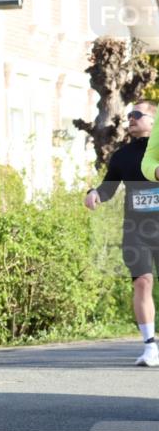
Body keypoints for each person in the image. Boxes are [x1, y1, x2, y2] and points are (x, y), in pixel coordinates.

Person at [87, 101, 158, 366]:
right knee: (142, 282)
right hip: (136, 230)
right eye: (129, 115)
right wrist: (94, 193)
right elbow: (108, 187)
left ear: (153, 120)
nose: (130, 119)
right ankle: (150, 347)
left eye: (137, 115)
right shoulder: (123, 155)